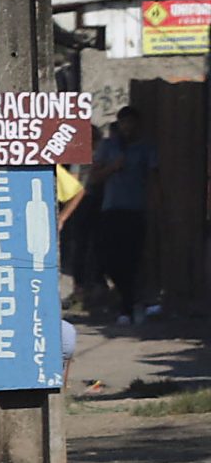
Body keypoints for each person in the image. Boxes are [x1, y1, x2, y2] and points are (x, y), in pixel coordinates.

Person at [90, 107, 155, 324]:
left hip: (135, 210)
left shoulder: (145, 148)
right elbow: (94, 178)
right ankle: (129, 301)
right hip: (111, 209)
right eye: (124, 123)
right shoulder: (108, 147)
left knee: (133, 260)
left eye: (131, 123)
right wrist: (112, 167)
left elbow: (154, 178)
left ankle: (128, 307)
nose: (128, 128)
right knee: (110, 260)